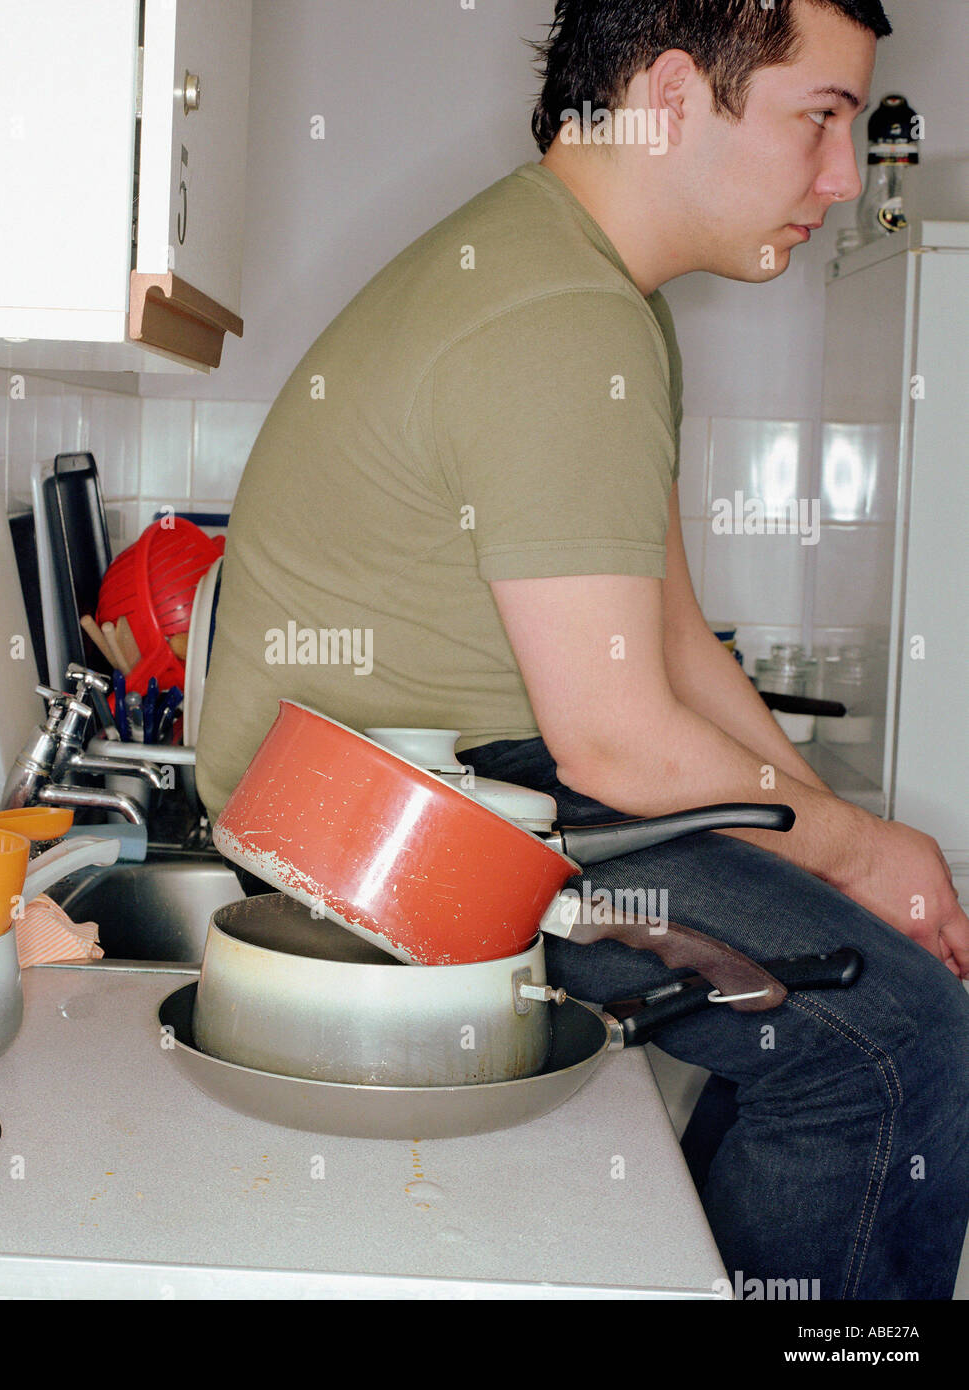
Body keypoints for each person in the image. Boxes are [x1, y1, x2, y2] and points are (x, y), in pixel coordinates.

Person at [195, 0, 969, 1299]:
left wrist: (845, 834)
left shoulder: (586, 287)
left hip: (467, 791)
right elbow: (620, 737)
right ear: (673, 95)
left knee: (847, 1002)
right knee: (894, 1044)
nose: (841, 180)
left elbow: (670, 641)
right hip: (385, 834)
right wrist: (858, 849)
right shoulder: (561, 314)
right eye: (820, 119)